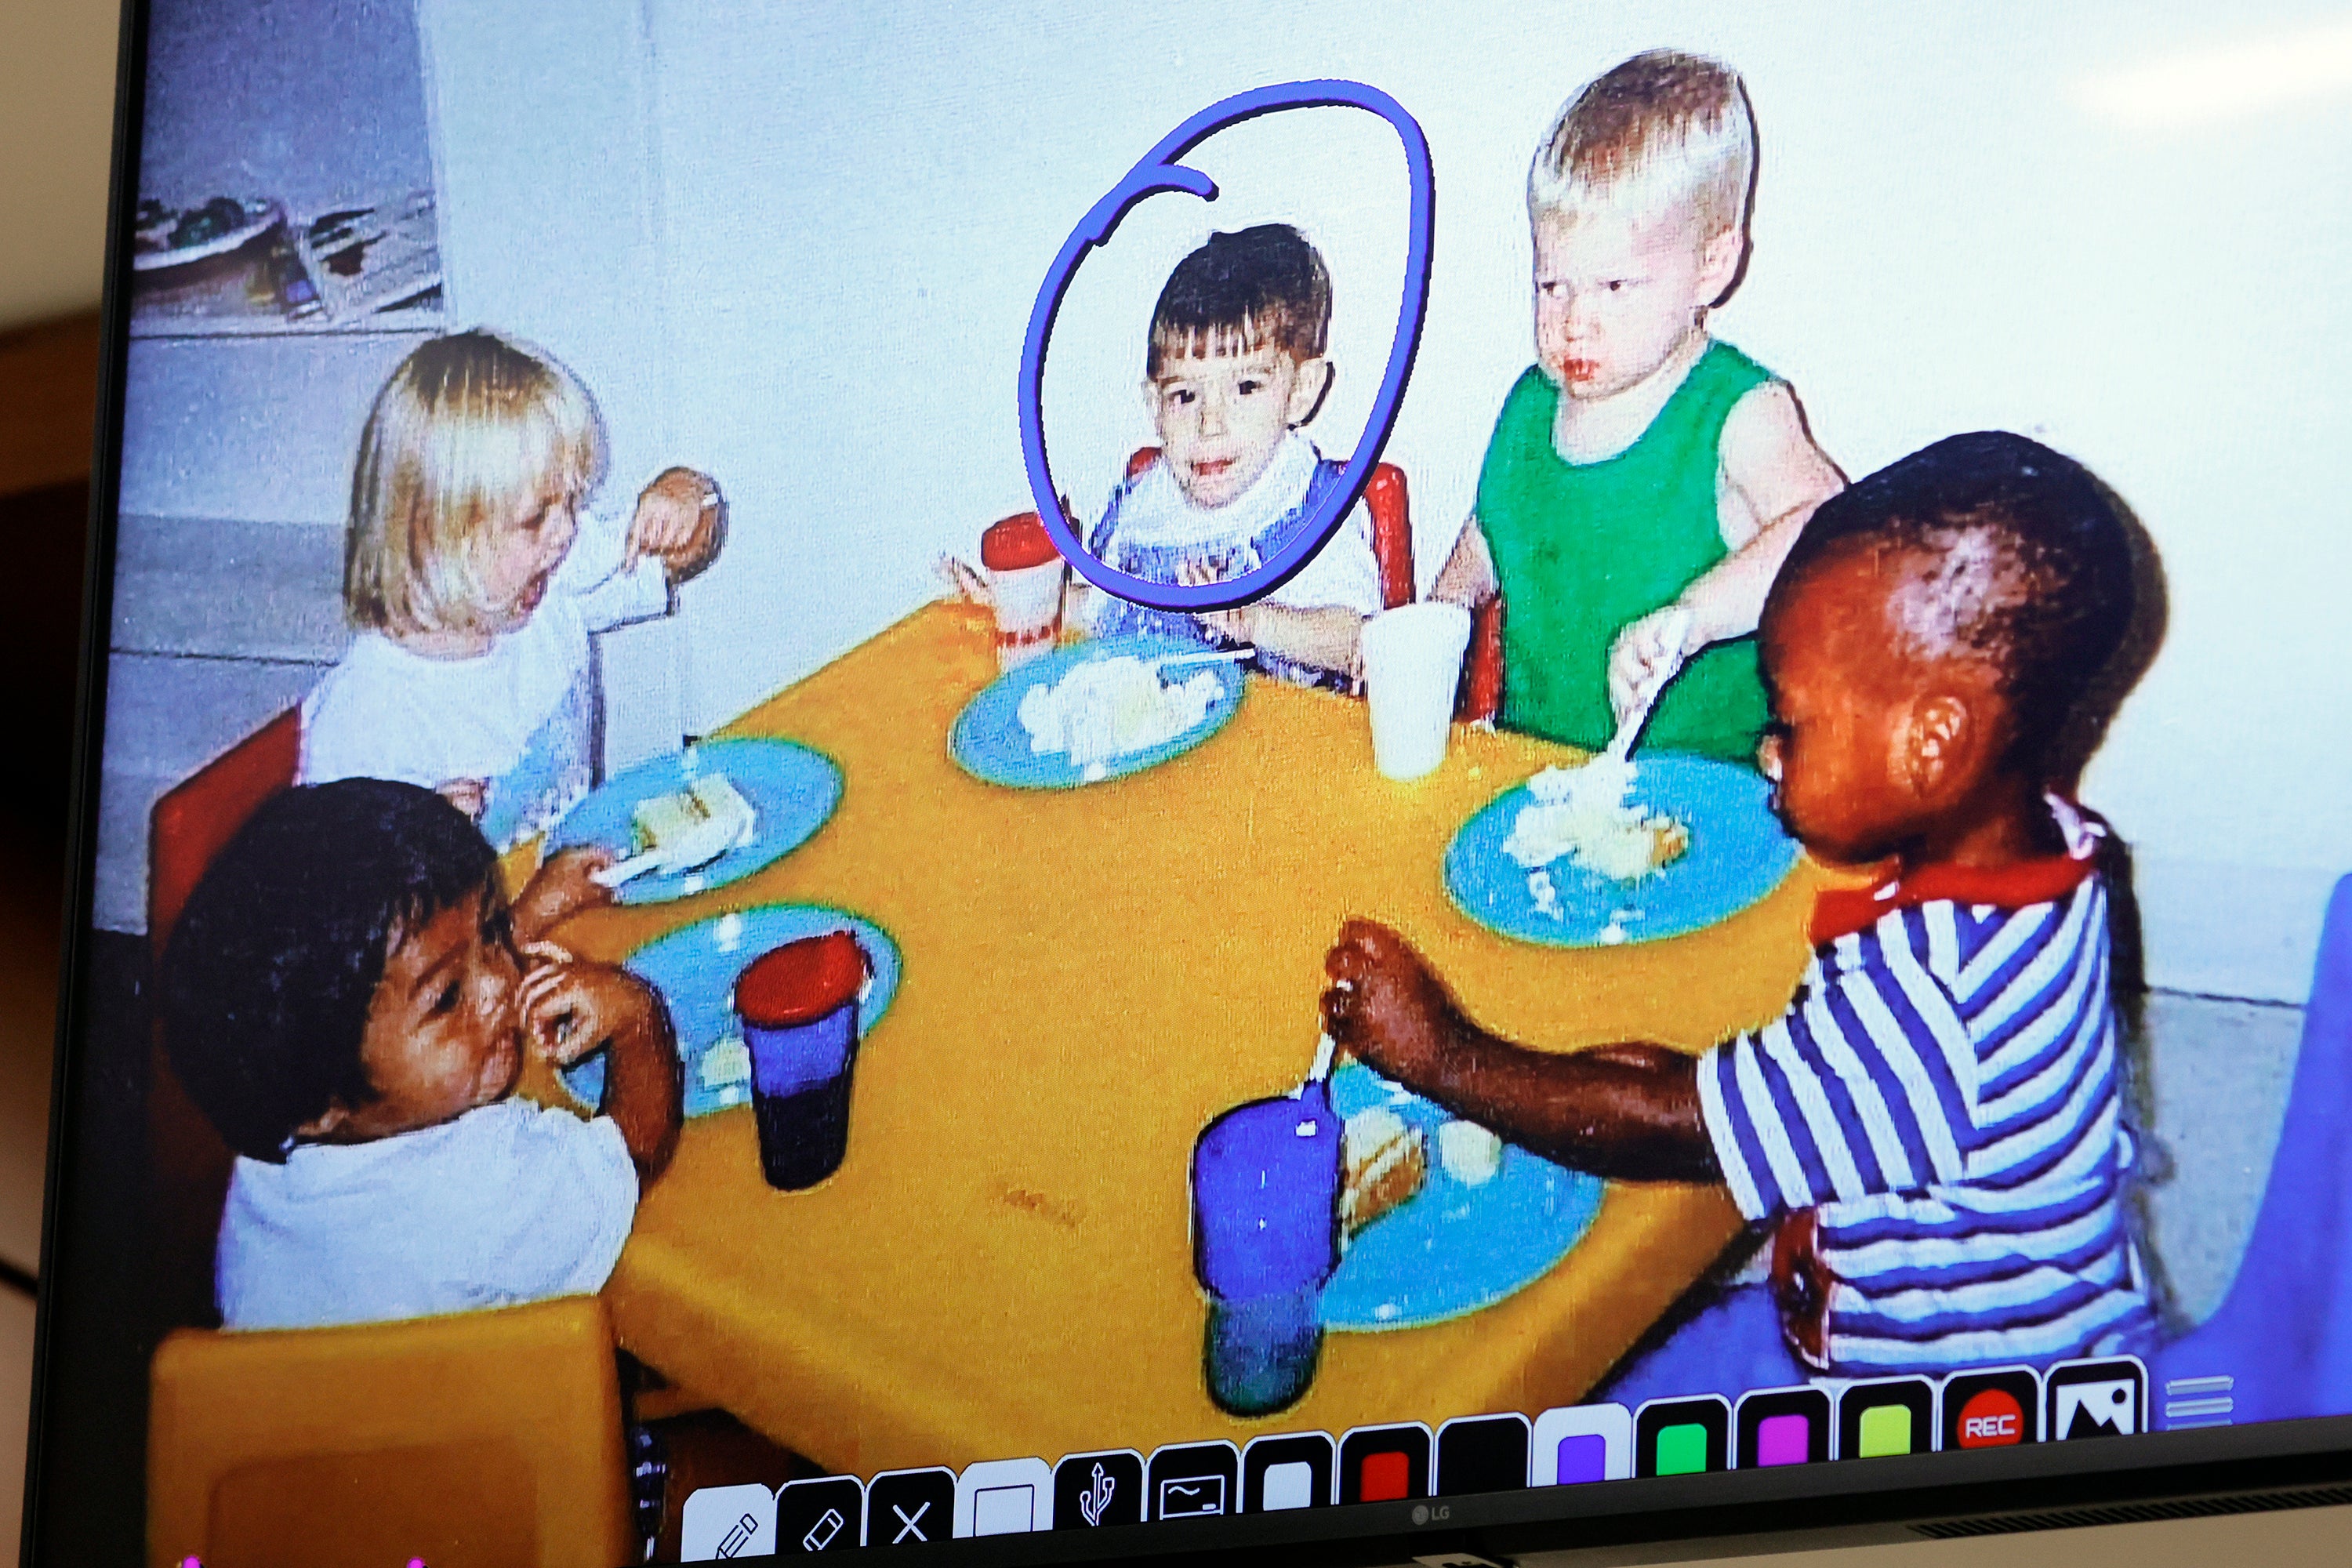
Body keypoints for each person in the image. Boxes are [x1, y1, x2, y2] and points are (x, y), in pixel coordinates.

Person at [1323, 434, 2157, 1385]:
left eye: (1793, 726)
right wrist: (1681, 1076)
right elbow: (1811, 1086)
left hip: (1951, 1403)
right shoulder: (2050, 846)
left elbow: (1680, 1131)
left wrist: (1439, 1053)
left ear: (1931, 747)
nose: (1767, 752)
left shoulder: (1928, 1008)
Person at [1432, 50, 1844, 762]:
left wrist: (1696, 616)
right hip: (1541, 771)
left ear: (1710, 268)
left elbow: (1830, 527)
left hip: (1708, 795)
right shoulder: (1530, 404)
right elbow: (1496, 527)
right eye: (1552, 284)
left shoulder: (1737, 410)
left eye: (1615, 287)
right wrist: (1447, 605)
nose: (1573, 322)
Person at [161, 779, 683, 1330]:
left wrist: (524, 916)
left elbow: (403, 982)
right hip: (494, 1412)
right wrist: (636, 1018)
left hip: (301, 1405)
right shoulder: (484, 1193)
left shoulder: (281, 1117)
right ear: (323, 1104)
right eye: (449, 998)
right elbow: (633, 1153)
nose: (500, 984)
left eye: (491, 932)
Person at [300, 328, 724, 855]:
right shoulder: (363, 720)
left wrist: (690, 496)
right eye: (535, 517)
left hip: (580, 886)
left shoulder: (551, 576)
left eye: (570, 502)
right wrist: (413, 851)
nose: (566, 531)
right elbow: (335, 908)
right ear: (437, 534)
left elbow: (683, 554)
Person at [948, 223, 1383, 688]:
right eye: (1185, 396)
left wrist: (1255, 622)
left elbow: (1361, 644)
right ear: (1155, 407)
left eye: (1246, 387)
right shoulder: (1143, 506)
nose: (1209, 423)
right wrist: (1022, 602)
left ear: (1300, 391)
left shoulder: (1312, 507)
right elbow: (1102, 611)